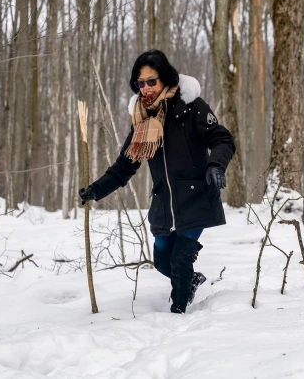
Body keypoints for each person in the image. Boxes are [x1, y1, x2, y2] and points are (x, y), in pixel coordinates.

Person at [79, 50, 236, 313]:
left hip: (196, 196)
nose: (147, 88)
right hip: (164, 204)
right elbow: (124, 166)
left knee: (181, 259)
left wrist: (215, 165)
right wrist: (96, 189)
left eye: (152, 81)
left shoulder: (191, 106)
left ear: (165, 79)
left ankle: (178, 314)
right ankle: (191, 281)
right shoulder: (142, 121)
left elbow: (222, 138)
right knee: (163, 261)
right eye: (141, 83)